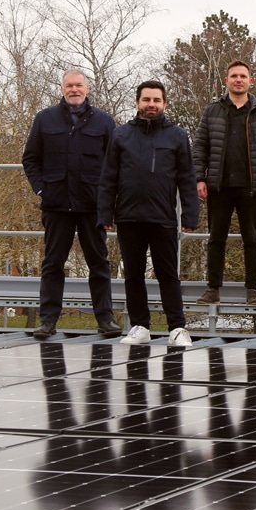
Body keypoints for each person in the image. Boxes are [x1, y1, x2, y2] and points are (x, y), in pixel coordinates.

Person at [97, 80, 199, 347]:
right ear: (137, 102)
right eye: (146, 100)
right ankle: (140, 326)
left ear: (164, 104)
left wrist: (189, 215)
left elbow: (187, 178)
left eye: (156, 100)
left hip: (163, 217)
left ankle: (177, 328)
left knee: (168, 274)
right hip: (128, 217)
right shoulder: (121, 135)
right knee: (133, 275)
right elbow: (108, 178)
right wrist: (105, 215)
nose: (151, 104)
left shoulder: (177, 136)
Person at [22, 69, 121, 340]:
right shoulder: (45, 119)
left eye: (78, 85)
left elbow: (115, 165)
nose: (74, 89)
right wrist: (42, 188)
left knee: (99, 263)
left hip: (92, 206)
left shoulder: (104, 122)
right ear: (62, 89)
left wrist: (108, 202)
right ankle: (48, 321)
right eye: (69, 85)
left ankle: (105, 319)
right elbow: (30, 159)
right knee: (53, 263)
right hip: (56, 205)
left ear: (87, 89)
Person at [192, 60, 256, 306]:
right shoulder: (213, 111)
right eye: (234, 76)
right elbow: (200, 147)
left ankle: (252, 291)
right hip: (218, 186)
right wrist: (199, 178)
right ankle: (213, 289)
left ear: (250, 81)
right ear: (227, 80)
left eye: (243, 76)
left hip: (251, 187)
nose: (238, 79)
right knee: (215, 239)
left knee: (252, 240)